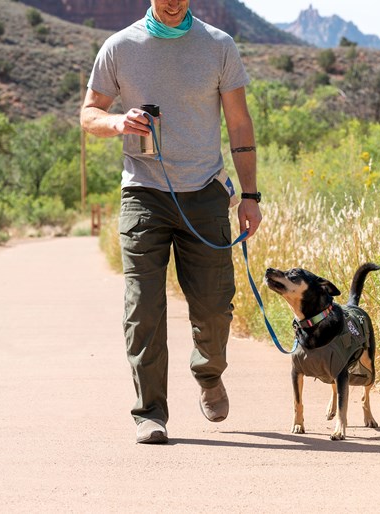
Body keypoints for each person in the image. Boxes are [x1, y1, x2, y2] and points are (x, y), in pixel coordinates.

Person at [80, 0, 262, 444]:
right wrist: (120, 121)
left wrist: (250, 195)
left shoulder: (219, 46)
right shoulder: (119, 46)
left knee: (215, 307)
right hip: (143, 193)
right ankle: (150, 412)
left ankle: (208, 372)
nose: (173, 2)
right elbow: (89, 114)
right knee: (143, 306)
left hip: (204, 191)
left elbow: (238, 124)